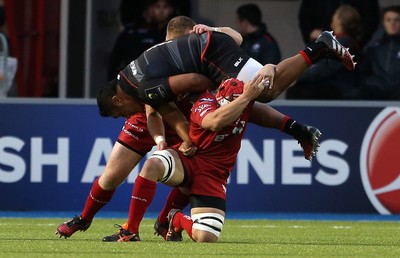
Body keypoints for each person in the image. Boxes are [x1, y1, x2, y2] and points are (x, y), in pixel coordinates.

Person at [55, 16, 321, 240]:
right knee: (113, 176)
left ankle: (164, 221)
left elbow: (235, 43)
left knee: (192, 169)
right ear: (170, 43)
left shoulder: (201, 59)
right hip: (156, 117)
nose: (185, 47)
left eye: (190, 42)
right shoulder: (156, 70)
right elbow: (153, 110)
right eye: (180, 44)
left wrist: (215, 35)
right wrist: (162, 140)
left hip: (187, 117)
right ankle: (86, 219)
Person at [100, 73, 322, 242]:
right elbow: (213, 122)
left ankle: (175, 218)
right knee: (152, 164)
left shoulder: (245, 104)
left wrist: (296, 128)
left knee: (206, 237)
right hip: (191, 159)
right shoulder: (205, 103)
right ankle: (131, 231)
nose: (236, 107)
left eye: (241, 102)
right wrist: (245, 98)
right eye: (231, 102)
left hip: (214, 175)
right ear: (220, 98)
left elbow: (267, 108)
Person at [97, 18, 354, 152]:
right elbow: (165, 112)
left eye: (121, 113)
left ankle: (319, 47)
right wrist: (173, 139)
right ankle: (296, 124)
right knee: (246, 98)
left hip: (210, 55)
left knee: (265, 90)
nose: (128, 116)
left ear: (118, 100)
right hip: (208, 51)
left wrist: (222, 89)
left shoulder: (142, 88)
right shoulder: (133, 78)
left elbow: (196, 81)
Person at [287, 4, 362, 99]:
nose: (332, 17)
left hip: (338, 89)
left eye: (335, 15)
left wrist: (299, 76)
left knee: (300, 90)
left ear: (340, 20)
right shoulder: (339, 41)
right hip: (330, 85)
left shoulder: (343, 43)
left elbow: (325, 67)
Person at [356, 5, 400, 100]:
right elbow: (362, 72)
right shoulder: (374, 48)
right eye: (388, 20)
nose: (392, 24)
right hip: (376, 95)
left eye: (396, 20)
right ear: (383, 23)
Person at [298, 0, 380, 48]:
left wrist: (357, 40)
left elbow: (371, 19)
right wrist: (311, 34)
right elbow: (305, 16)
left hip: (350, 43)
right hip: (319, 43)